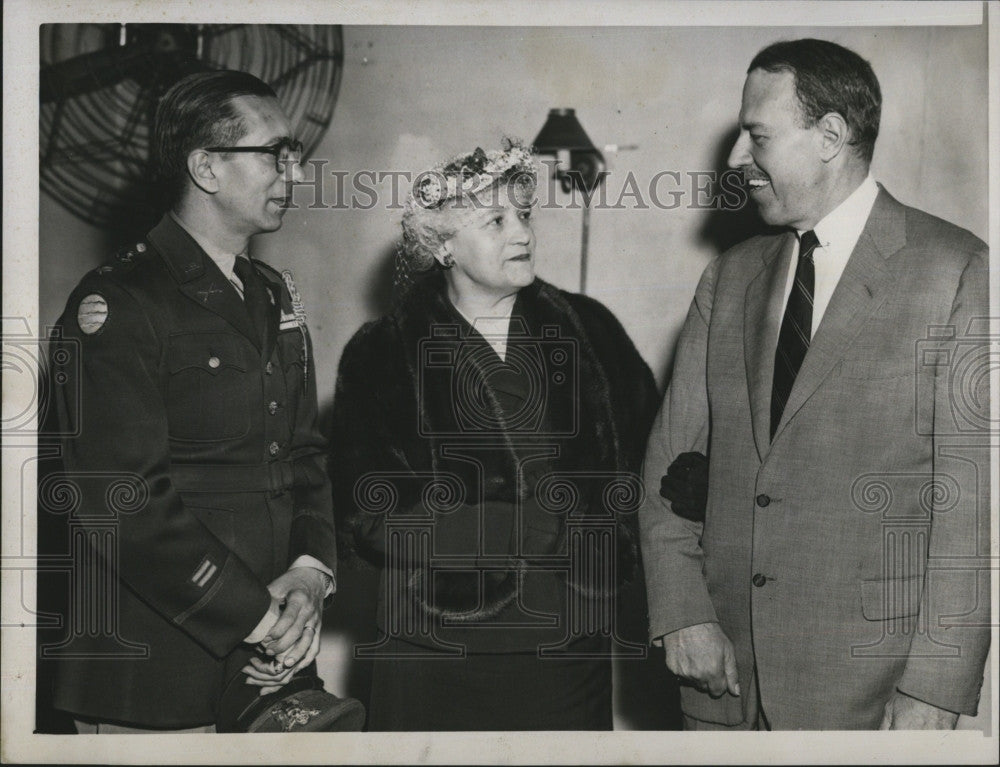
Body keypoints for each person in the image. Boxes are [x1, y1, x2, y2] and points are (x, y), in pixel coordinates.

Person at [639, 38, 990, 730]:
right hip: (724, 684)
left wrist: (936, 687)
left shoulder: (954, 270)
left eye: (757, 136)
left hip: (869, 696)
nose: (740, 160)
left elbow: (972, 506)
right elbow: (670, 466)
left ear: (831, 136)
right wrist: (682, 612)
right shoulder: (729, 277)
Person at [43, 70, 359, 733]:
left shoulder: (273, 294)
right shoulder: (122, 301)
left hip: (271, 672)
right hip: (158, 675)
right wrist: (261, 616)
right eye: (274, 153)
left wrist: (308, 574)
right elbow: (122, 497)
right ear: (208, 167)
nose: (292, 172)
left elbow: (302, 456)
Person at [330, 139, 659, 730]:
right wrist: (534, 527)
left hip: (568, 652)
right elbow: (369, 513)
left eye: (525, 216)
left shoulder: (591, 329)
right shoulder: (380, 354)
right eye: (496, 221)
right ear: (443, 246)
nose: (524, 234)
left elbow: (648, 460)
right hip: (435, 652)